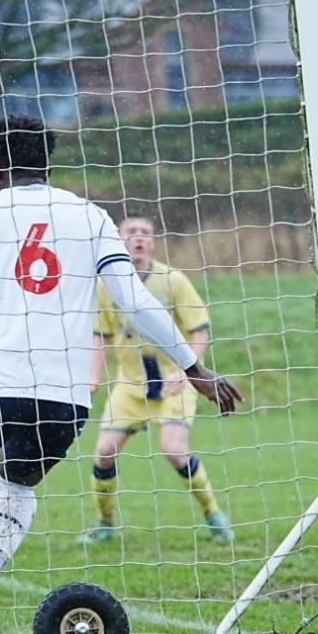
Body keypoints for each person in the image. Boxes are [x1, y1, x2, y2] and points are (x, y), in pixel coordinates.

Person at [0, 116, 243, 634]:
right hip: (66, 398)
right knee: (17, 480)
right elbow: (135, 300)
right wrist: (195, 369)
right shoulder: (91, 216)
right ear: (48, 164)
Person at [80, 213, 231, 544]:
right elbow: (100, 335)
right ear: (120, 239)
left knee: (174, 450)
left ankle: (213, 513)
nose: (138, 237)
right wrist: (93, 377)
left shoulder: (172, 280)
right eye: (131, 231)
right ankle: (104, 524)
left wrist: (186, 369)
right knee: (104, 452)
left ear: (153, 241)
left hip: (173, 383)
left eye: (145, 232)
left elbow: (199, 330)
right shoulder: (106, 285)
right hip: (129, 386)